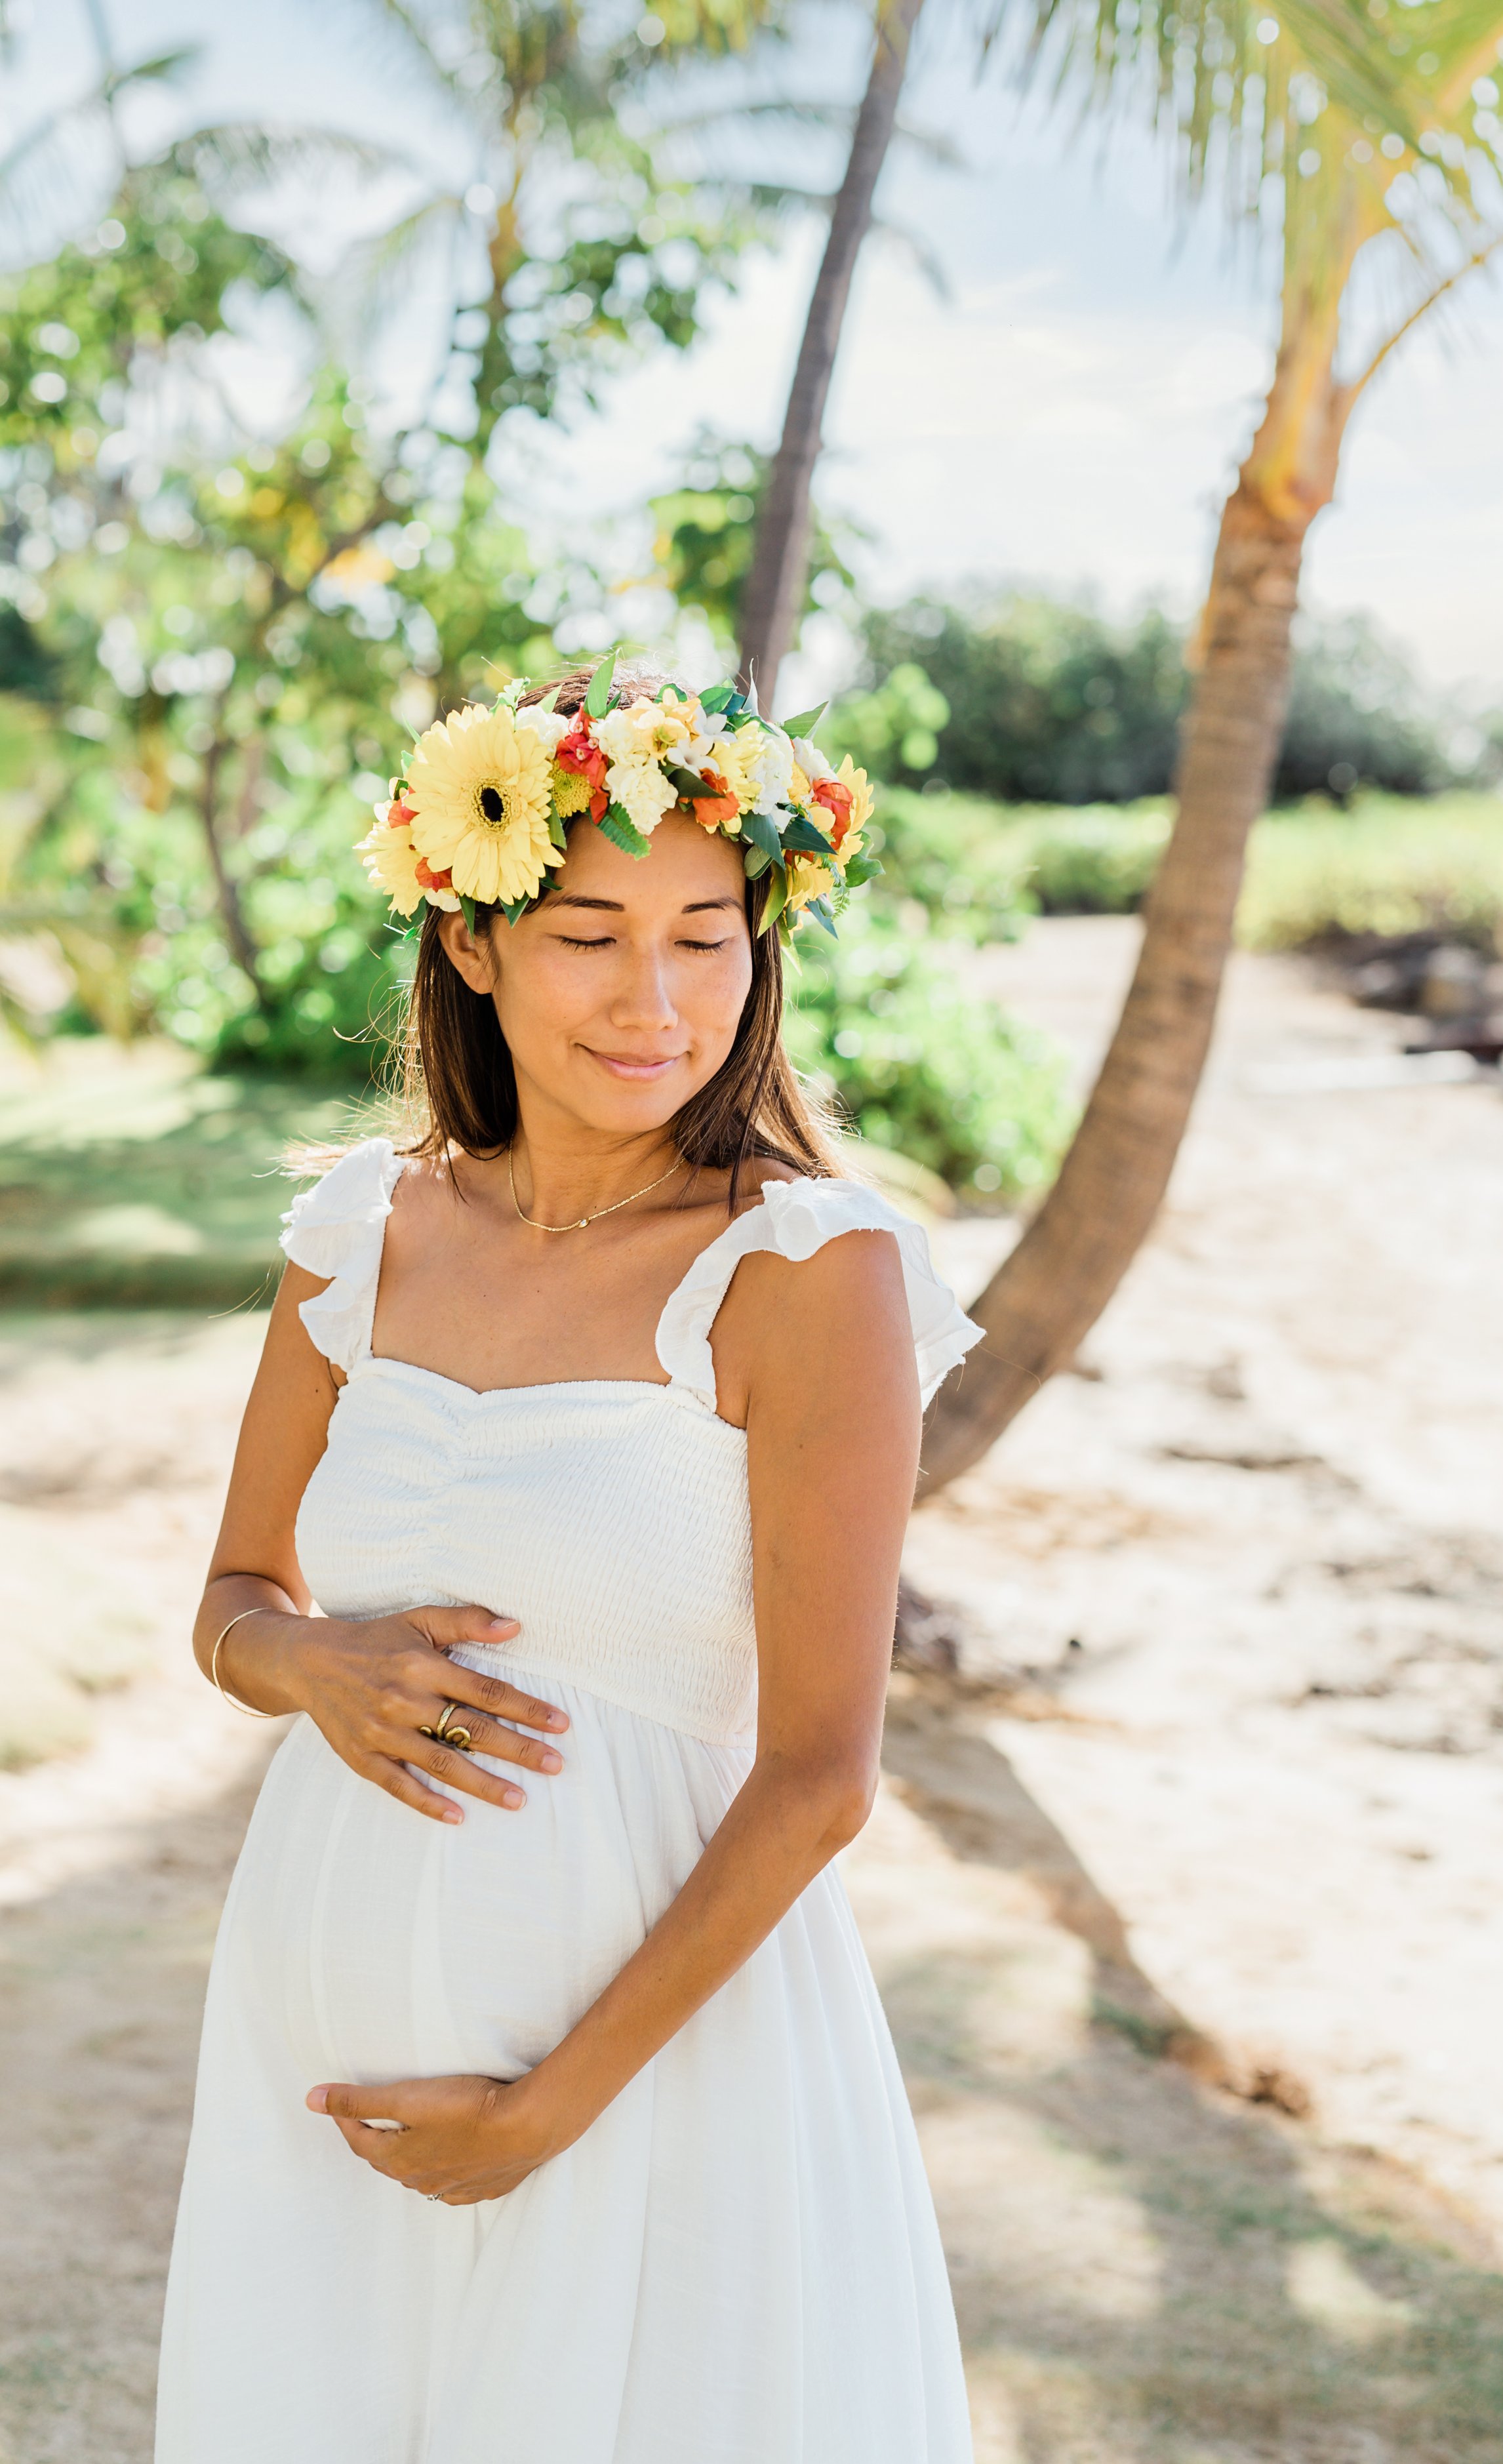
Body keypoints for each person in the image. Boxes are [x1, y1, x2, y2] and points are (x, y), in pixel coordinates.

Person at [155, 658, 982, 2461]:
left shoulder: (807, 1273)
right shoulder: (358, 1234)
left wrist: (544, 2116)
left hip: (653, 2077)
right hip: (324, 2049)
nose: (656, 997)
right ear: (470, 942)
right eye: (592, 934)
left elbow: (822, 1780)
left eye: (706, 937)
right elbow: (233, 1594)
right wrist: (307, 1663)